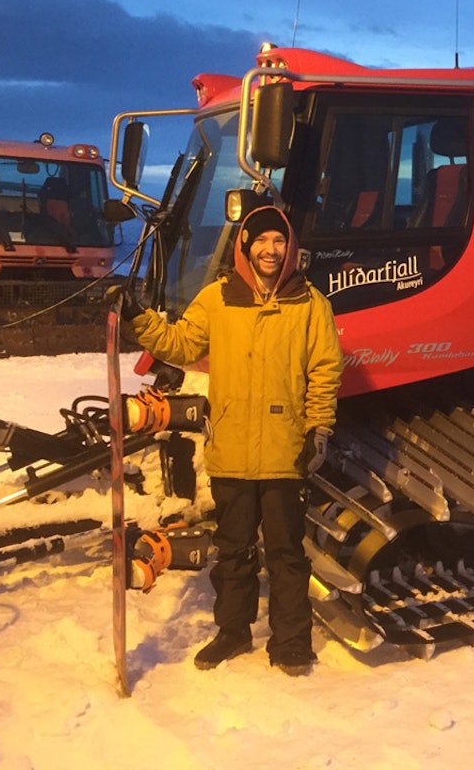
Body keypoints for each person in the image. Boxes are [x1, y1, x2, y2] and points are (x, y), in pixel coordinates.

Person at [119, 205, 342, 676]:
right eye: (261, 241)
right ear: (245, 246)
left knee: (286, 554)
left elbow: (324, 372)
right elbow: (181, 345)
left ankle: (290, 642)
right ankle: (233, 632)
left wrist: (318, 431)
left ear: (290, 249)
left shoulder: (310, 304)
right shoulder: (218, 298)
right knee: (234, 549)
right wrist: (141, 318)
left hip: (284, 452)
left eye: (279, 242)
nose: (270, 250)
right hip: (231, 452)